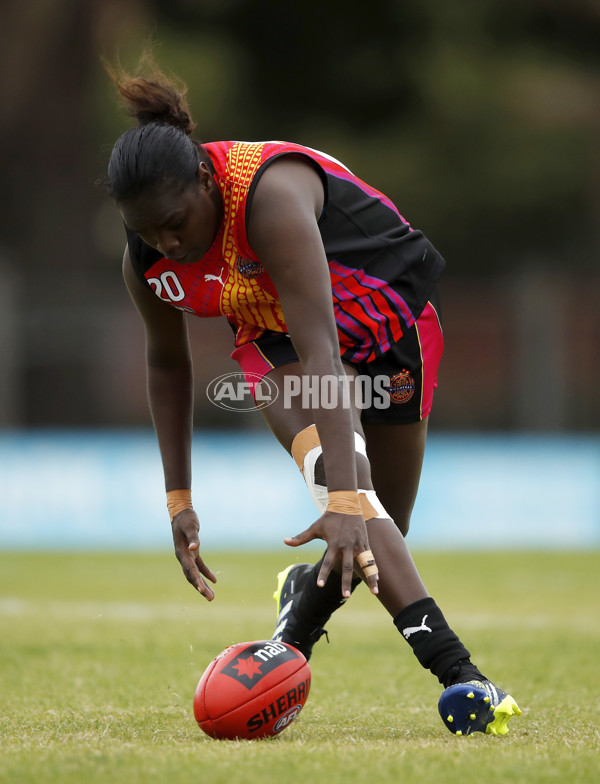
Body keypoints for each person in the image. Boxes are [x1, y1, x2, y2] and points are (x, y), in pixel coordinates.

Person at [104, 56, 521, 737]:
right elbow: (167, 363)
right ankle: (462, 675)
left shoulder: (269, 197)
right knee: (348, 489)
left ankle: (302, 605)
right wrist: (179, 498)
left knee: (380, 524)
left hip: (392, 327)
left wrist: (352, 504)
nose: (169, 244)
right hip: (275, 344)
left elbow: (325, 343)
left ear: (206, 181)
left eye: (175, 222)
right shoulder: (148, 257)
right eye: (149, 232)